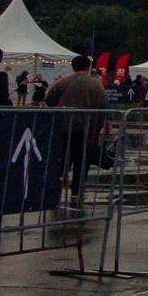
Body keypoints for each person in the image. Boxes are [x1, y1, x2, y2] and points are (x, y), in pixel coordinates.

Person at [45, 54, 109, 207]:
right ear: (88, 67)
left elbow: (50, 99)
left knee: (62, 160)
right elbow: (103, 105)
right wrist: (104, 124)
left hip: (63, 128)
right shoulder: (96, 85)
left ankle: (56, 188)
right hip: (87, 130)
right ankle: (77, 191)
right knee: (82, 161)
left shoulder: (62, 82)